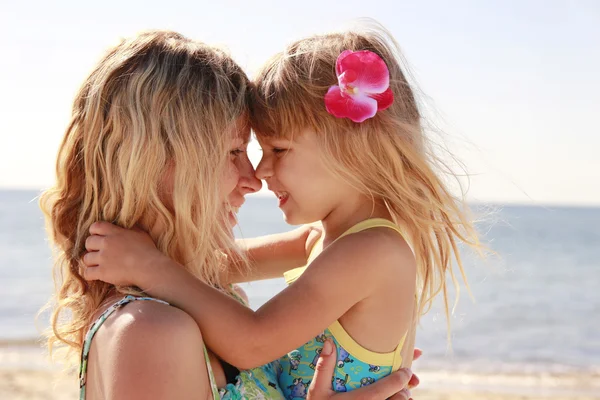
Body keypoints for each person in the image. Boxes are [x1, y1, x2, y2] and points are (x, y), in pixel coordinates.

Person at [82, 22, 479, 396]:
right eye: (240, 151)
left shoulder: (372, 251)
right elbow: (206, 266)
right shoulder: (321, 243)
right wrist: (139, 253)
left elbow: (253, 341)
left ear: (353, 149)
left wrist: (148, 266)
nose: (258, 173)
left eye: (278, 150)